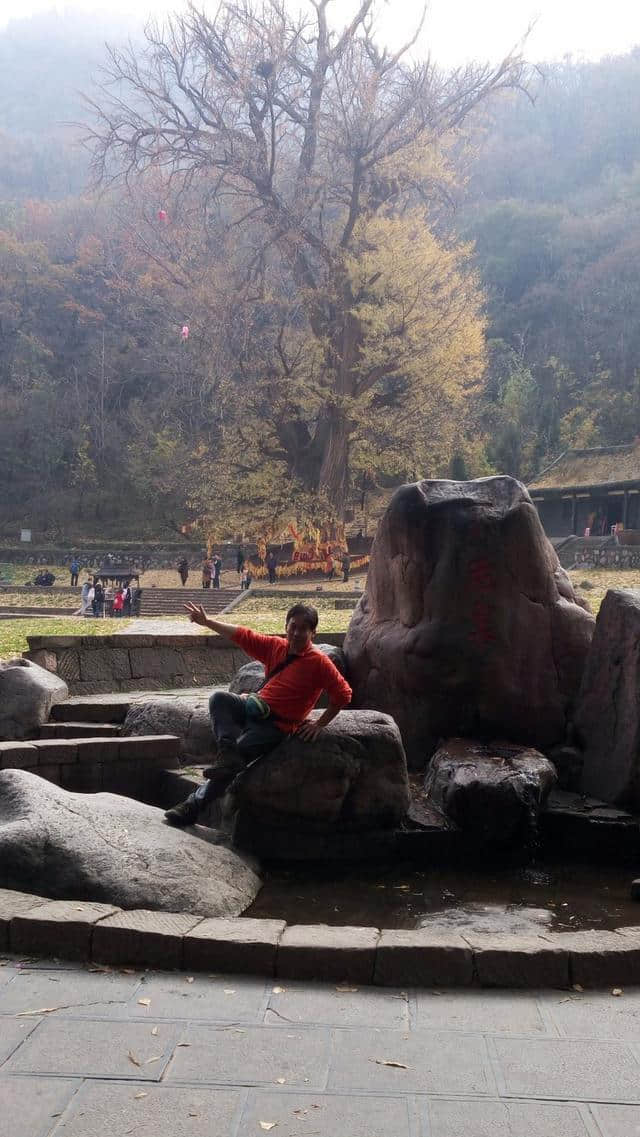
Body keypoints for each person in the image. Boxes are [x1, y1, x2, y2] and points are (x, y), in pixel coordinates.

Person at [164, 602, 353, 826]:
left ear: (313, 632)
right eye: (293, 626)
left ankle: (192, 807)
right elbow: (243, 635)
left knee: (237, 758)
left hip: (275, 727)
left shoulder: (319, 663)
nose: (296, 632)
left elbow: (343, 694)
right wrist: (207, 622)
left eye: (303, 628)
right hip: (254, 707)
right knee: (219, 699)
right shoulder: (276, 646)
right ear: (286, 626)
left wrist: (320, 724)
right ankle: (227, 752)